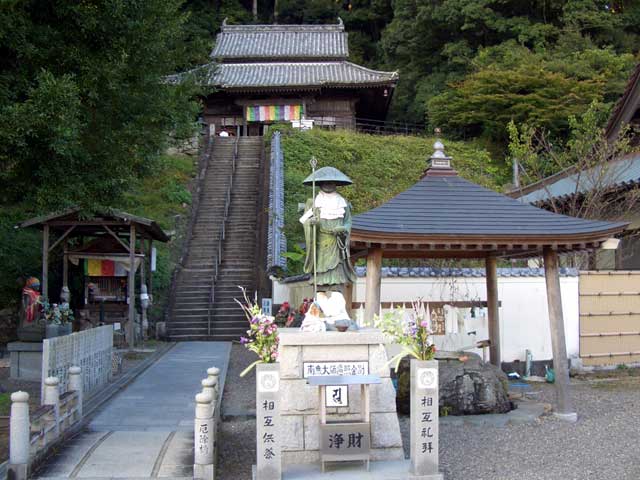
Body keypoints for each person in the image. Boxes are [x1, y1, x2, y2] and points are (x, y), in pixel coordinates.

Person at [299, 166, 357, 290]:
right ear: (320, 184)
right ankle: (320, 289)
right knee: (320, 277)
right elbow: (304, 221)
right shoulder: (313, 202)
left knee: (337, 275)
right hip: (320, 243)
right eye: (325, 182)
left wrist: (343, 229)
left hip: (336, 242)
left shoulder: (343, 202)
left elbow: (348, 222)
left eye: (331, 182)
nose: (328, 184)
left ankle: (336, 290)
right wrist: (311, 223)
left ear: (336, 184)